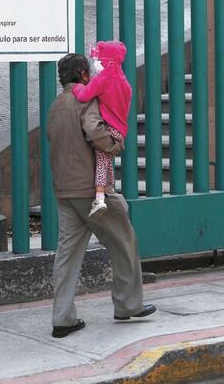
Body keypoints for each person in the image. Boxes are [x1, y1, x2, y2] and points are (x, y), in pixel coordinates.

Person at [46, 53, 156, 339]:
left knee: (67, 254)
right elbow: (95, 130)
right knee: (123, 240)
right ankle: (128, 305)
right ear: (84, 75)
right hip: (92, 190)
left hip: (65, 190)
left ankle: (63, 318)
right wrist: (115, 143)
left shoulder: (56, 106)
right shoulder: (85, 101)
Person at [72, 41, 132, 216]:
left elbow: (84, 95)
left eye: (99, 58)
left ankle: (99, 198)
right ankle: (110, 189)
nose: (96, 62)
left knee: (101, 160)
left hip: (108, 128)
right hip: (120, 130)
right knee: (107, 160)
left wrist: (76, 87)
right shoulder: (124, 82)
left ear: (107, 60)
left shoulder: (102, 79)